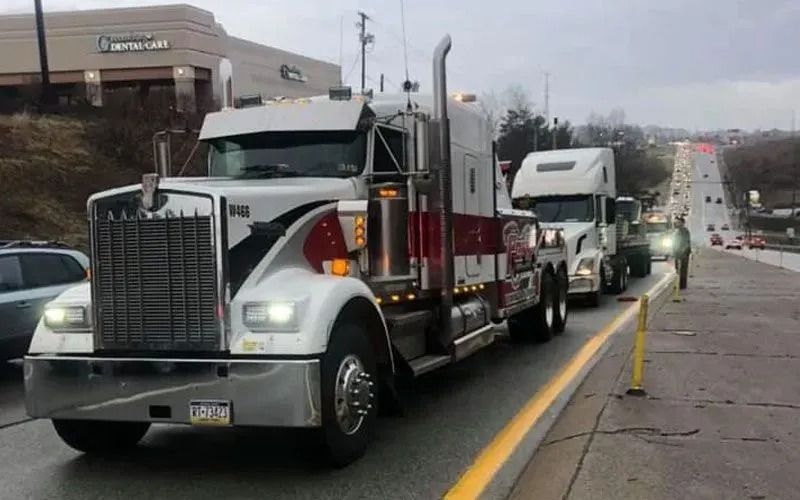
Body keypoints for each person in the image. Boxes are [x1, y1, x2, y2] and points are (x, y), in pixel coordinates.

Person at [673, 217, 691, 289]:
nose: (677, 223)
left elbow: (686, 242)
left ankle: (682, 285)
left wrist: (683, 250)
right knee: (677, 268)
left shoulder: (685, 231)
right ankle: (678, 282)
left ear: (683, 223)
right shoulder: (676, 231)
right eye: (677, 222)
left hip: (684, 252)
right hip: (677, 252)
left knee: (683, 269)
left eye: (679, 222)